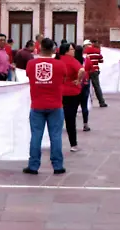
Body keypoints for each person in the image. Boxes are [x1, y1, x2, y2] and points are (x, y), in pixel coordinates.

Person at [22, 38, 69, 175]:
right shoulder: (60, 65)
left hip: (37, 104)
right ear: (54, 49)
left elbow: (29, 76)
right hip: (55, 104)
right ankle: (58, 165)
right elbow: (64, 79)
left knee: (36, 135)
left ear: (40, 48)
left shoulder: (31, 64)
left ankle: (33, 165)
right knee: (56, 136)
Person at [58, 44, 87, 153]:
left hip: (58, 92)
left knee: (56, 119)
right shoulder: (72, 60)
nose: (73, 51)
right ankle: (73, 144)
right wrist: (79, 80)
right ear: (66, 51)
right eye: (72, 49)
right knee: (70, 119)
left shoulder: (57, 59)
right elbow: (82, 70)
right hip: (72, 92)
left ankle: (54, 142)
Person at [74, 44, 93, 132]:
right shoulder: (86, 60)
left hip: (74, 84)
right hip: (85, 84)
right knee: (84, 105)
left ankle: (71, 123)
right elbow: (91, 70)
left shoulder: (73, 61)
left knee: (72, 106)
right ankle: (85, 124)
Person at [83, 40, 106, 107]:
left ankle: (86, 102)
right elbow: (101, 60)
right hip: (95, 70)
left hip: (87, 71)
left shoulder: (85, 52)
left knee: (86, 87)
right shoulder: (97, 51)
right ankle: (101, 102)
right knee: (97, 86)